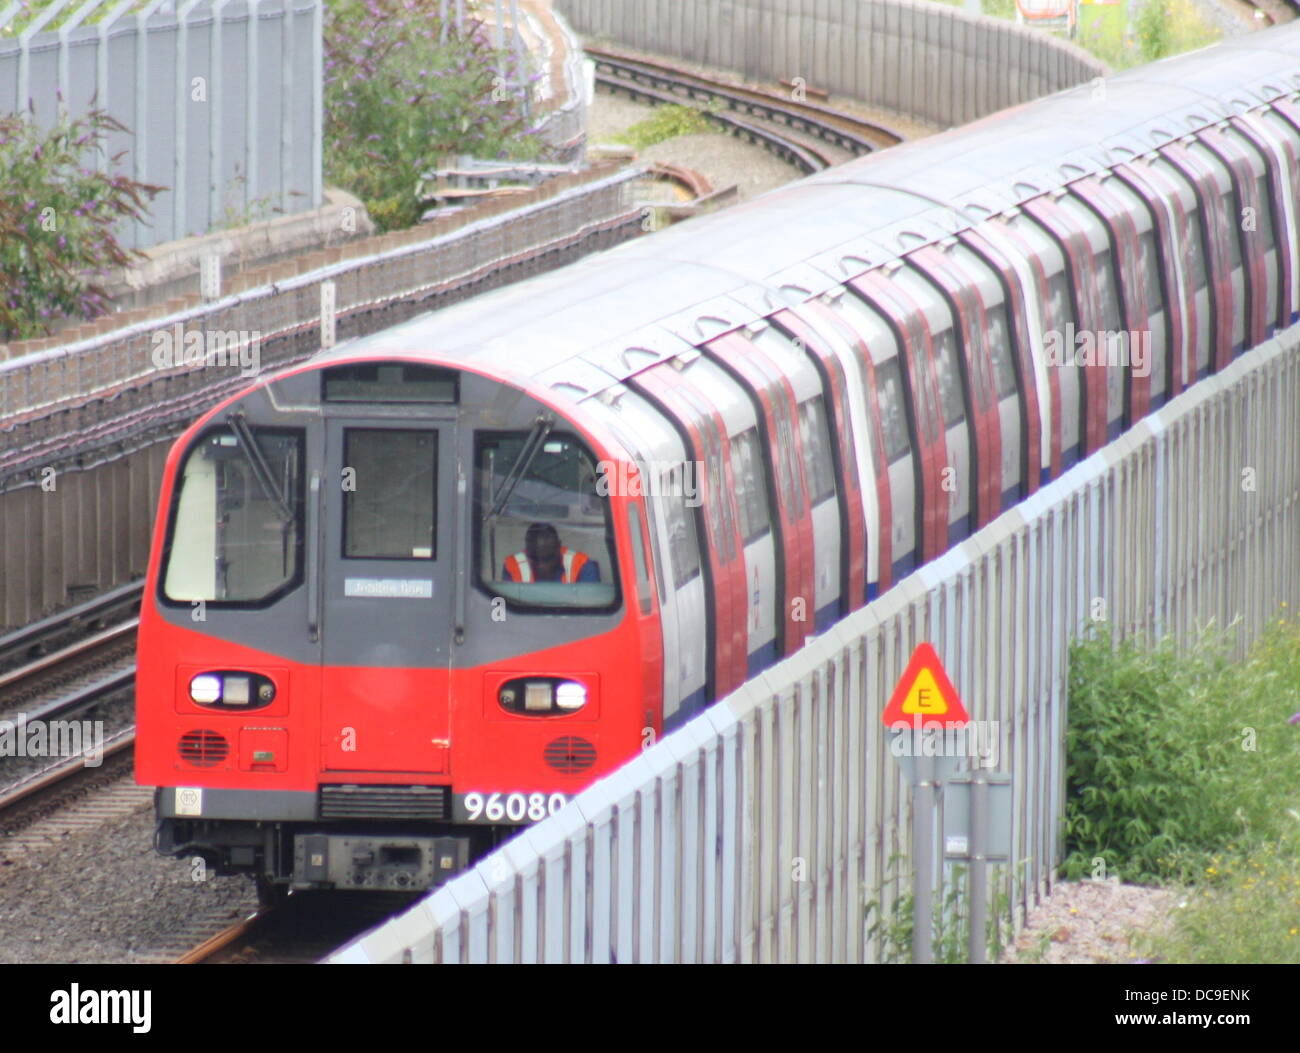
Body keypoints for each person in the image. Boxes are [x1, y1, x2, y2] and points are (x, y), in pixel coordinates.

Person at [503, 522, 600, 583]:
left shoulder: (582, 565)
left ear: (559, 548)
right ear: (527, 551)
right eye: (535, 559)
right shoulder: (512, 565)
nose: (541, 566)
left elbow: (590, 609)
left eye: (547, 559)